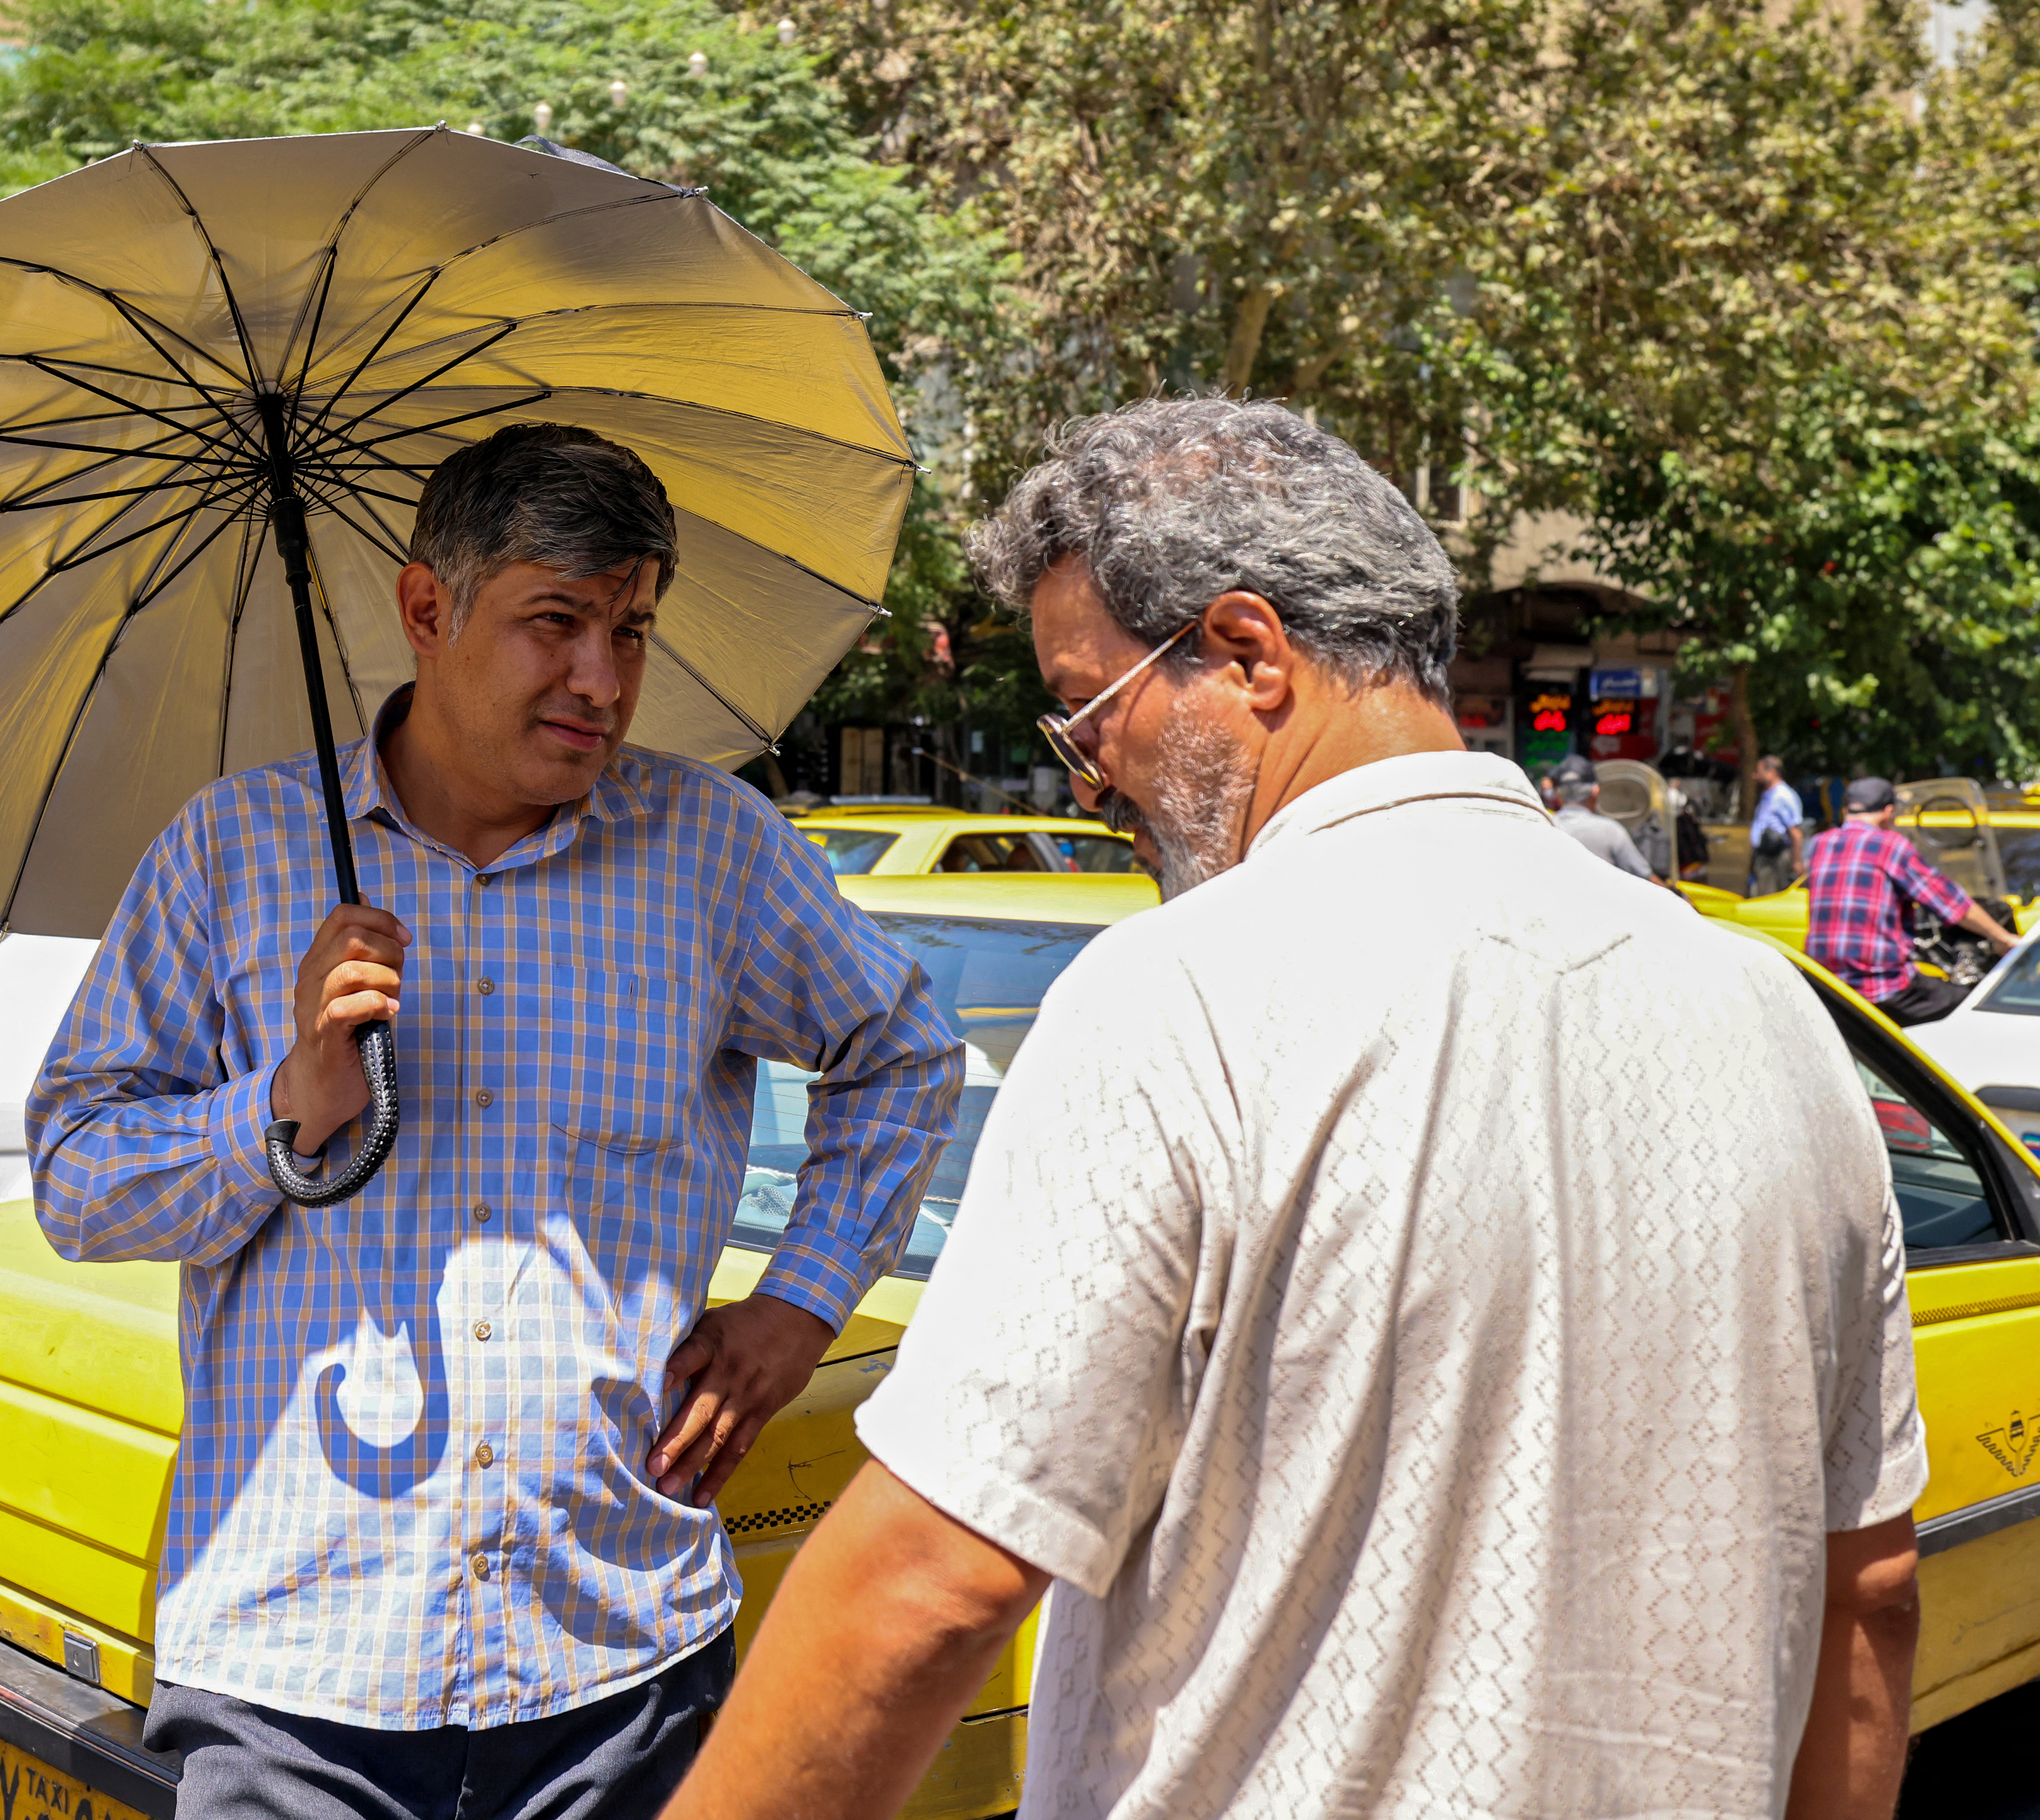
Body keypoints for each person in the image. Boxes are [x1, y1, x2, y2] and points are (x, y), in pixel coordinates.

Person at [666, 399, 1926, 1820]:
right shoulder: (1775, 1019)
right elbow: (1866, 1591)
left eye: (1087, 707)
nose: (1089, 772)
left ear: (1250, 654)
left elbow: (930, 1578)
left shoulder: (1175, 998)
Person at [28, 423, 963, 1820]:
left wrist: (801, 1304)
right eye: (555, 622)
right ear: (427, 610)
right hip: (296, 1672)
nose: (603, 678)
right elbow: (75, 1180)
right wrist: (282, 1110)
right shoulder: (230, 853)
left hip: (618, 1663)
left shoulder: (713, 854)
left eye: (632, 630)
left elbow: (901, 1053)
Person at [1806, 775, 2019, 1026]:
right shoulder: (1890, 845)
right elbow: (1951, 903)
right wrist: (2001, 938)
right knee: (1974, 1009)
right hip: (1879, 987)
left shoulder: (1821, 844)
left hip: (1827, 987)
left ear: (1846, 811)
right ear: (1888, 812)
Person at [1546, 753, 1654, 879]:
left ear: (1558, 795)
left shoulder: (1546, 827)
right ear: (1595, 792)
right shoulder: (1611, 831)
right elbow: (1644, 876)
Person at [1750, 752, 1805, 895]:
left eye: (1758, 772)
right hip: (1764, 856)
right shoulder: (1768, 794)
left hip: (1775, 858)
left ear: (1772, 773)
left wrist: (1797, 861)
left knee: (1768, 900)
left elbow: (1796, 832)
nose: (1754, 777)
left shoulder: (1783, 796)